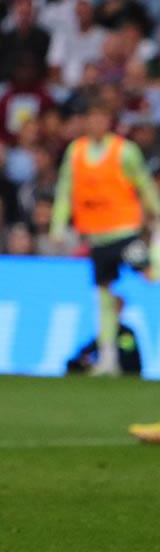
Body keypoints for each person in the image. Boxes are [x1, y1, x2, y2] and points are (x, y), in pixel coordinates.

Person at [50, 95, 159, 376]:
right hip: (97, 238)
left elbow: (143, 183)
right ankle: (108, 358)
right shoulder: (76, 151)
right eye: (92, 119)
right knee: (104, 296)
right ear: (86, 122)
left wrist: (156, 211)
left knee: (150, 274)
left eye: (101, 119)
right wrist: (58, 225)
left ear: (109, 122)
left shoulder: (124, 151)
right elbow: (66, 189)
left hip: (124, 232)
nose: (96, 124)